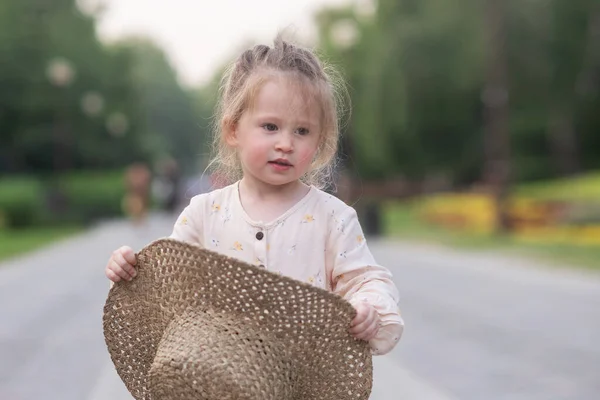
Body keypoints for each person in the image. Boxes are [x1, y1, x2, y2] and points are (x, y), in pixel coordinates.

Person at [105, 36, 404, 356]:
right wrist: (131, 272)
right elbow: (169, 287)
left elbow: (367, 280)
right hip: (221, 376)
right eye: (271, 126)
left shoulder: (332, 218)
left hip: (303, 378)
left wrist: (366, 307)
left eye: (302, 131)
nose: (286, 143)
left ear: (319, 140)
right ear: (234, 130)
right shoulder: (205, 214)